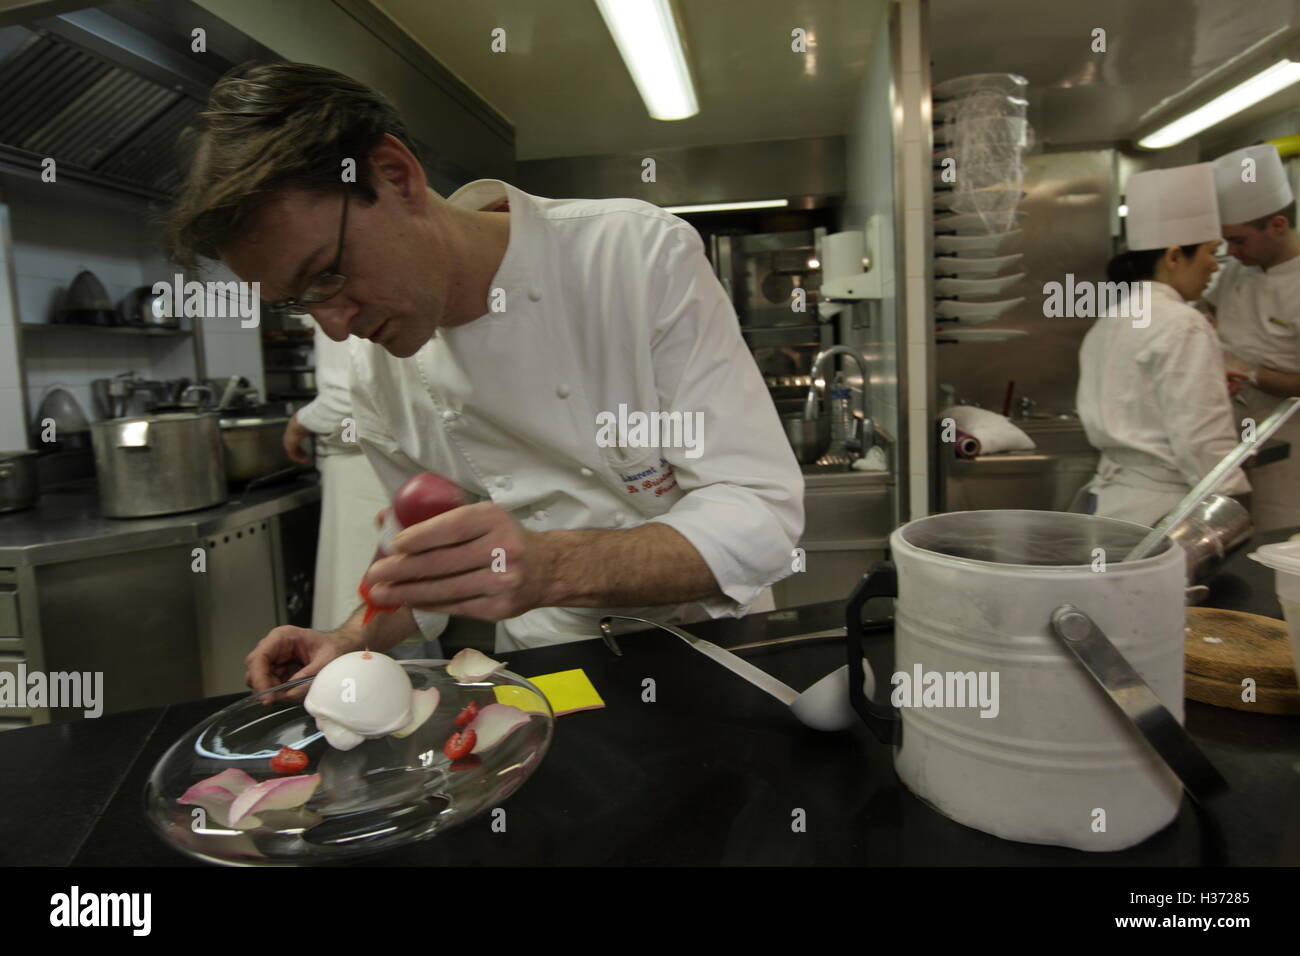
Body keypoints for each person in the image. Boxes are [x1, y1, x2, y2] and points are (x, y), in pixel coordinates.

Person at [166, 63, 804, 691]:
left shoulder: (632, 257)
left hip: (719, 650)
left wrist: (550, 567)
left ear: (395, 176)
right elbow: (428, 561)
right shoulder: (376, 373)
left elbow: (760, 518)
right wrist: (350, 638)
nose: (335, 328)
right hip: (552, 670)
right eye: (299, 302)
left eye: (327, 273)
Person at [1076, 163, 1250, 525]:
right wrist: (1233, 504)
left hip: (1108, 502)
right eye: (1210, 252)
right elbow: (1202, 439)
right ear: (1174, 257)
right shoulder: (1183, 323)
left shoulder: (1111, 318)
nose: (1215, 267)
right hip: (1163, 512)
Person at [281, 322, 449, 653]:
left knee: (373, 607)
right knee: (388, 605)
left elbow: (344, 401)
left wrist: (297, 423)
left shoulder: (336, 302)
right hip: (372, 468)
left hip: (363, 471)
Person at [1207, 144, 1300, 531]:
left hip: (1289, 453)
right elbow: (1208, 313)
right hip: (1229, 440)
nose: (1231, 251)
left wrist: (1247, 371)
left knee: (1276, 550)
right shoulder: (1236, 270)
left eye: (1240, 241)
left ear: (1277, 225)